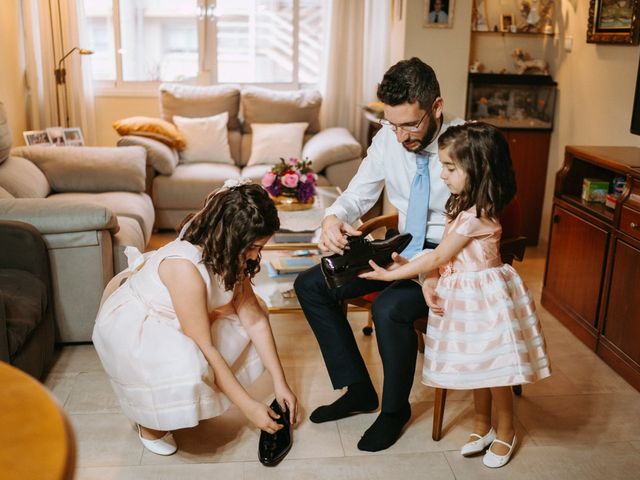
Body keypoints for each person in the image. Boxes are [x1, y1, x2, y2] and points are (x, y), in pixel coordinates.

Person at [294, 57, 463, 452]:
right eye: (393, 124)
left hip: (447, 256)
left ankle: (394, 411)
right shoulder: (388, 139)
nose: (401, 136)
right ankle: (358, 390)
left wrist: (427, 269)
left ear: (436, 107)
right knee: (312, 285)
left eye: (411, 124)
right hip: (399, 244)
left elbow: (481, 219)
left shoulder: (467, 143)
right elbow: (357, 193)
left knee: (389, 308)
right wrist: (333, 219)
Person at [360, 122, 551, 468]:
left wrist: (390, 274)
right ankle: (483, 425)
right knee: (478, 365)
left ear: (477, 170)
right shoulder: (462, 207)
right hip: (464, 296)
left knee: (495, 372)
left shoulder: (478, 215)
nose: (443, 174)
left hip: (484, 299)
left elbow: (438, 255)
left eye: (450, 167)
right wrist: (411, 264)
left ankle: (506, 430)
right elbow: (440, 259)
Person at [93, 180, 297, 456]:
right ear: (232, 237)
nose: (255, 256)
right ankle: (148, 422)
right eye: (253, 247)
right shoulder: (185, 267)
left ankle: (185, 398)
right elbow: (206, 348)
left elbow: (256, 320)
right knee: (190, 360)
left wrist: (280, 382)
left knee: (248, 315)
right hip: (141, 324)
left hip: (186, 310)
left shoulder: (231, 252)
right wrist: (249, 407)